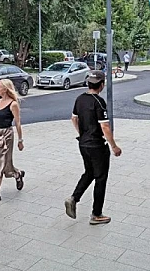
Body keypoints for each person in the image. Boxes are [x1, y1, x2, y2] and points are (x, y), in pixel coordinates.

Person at [64, 71, 122, 225]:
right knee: (100, 178)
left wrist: (82, 133)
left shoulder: (80, 98)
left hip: (83, 143)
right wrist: (114, 146)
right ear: (102, 85)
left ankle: (74, 198)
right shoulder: (99, 102)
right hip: (97, 145)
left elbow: (74, 118)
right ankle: (96, 214)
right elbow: (105, 126)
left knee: (89, 172)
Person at [0, 79, 25, 205]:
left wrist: (20, 140)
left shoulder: (13, 104)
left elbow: (18, 123)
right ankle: (17, 174)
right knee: (6, 164)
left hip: (7, 135)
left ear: (5, 89)